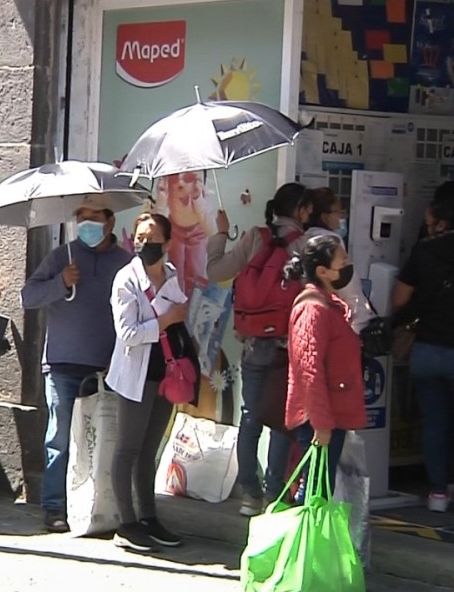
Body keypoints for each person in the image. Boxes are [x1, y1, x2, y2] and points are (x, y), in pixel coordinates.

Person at [21, 196, 131, 533]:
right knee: (60, 438)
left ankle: (103, 505)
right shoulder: (61, 257)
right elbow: (28, 296)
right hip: (63, 363)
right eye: (81, 217)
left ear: (110, 222)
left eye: (94, 217)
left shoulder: (126, 263)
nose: (87, 225)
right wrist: (61, 282)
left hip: (108, 368)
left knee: (106, 441)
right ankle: (55, 507)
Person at [206, 182, 312, 516]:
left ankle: (249, 495)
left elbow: (216, 271)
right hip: (287, 344)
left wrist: (220, 235)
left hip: (253, 343)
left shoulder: (255, 236)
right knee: (283, 419)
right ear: (300, 211)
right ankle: (274, 493)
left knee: (250, 416)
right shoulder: (308, 244)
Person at [106, 212, 189, 552]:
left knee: (149, 450)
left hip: (165, 375)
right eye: (139, 237)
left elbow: (181, 317)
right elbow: (126, 333)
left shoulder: (170, 276)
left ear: (167, 243)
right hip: (135, 375)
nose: (144, 244)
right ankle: (126, 522)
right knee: (128, 448)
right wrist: (165, 320)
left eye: (152, 238)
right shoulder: (126, 279)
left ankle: (149, 517)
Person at [284, 234, 366, 500]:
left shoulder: (326, 306)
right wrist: (321, 423)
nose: (347, 264)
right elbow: (310, 371)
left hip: (330, 414)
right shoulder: (313, 310)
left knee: (319, 489)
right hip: (319, 418)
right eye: (342, 260)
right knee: (315, 492)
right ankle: (306, 542)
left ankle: (312, 540)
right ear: (322, 271)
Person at [393, 196, 454, 513]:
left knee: (435, 422)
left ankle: (438, 493)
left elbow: (400, 299)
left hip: (427, 350)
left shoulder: (425, 250)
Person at [302, 187, 373, 334]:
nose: (343, 217)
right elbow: (348, 287)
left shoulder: (304, 237)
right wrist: (361, 316)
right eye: (338, 212)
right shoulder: (331, 240)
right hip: (347, 321)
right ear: (325, 217)